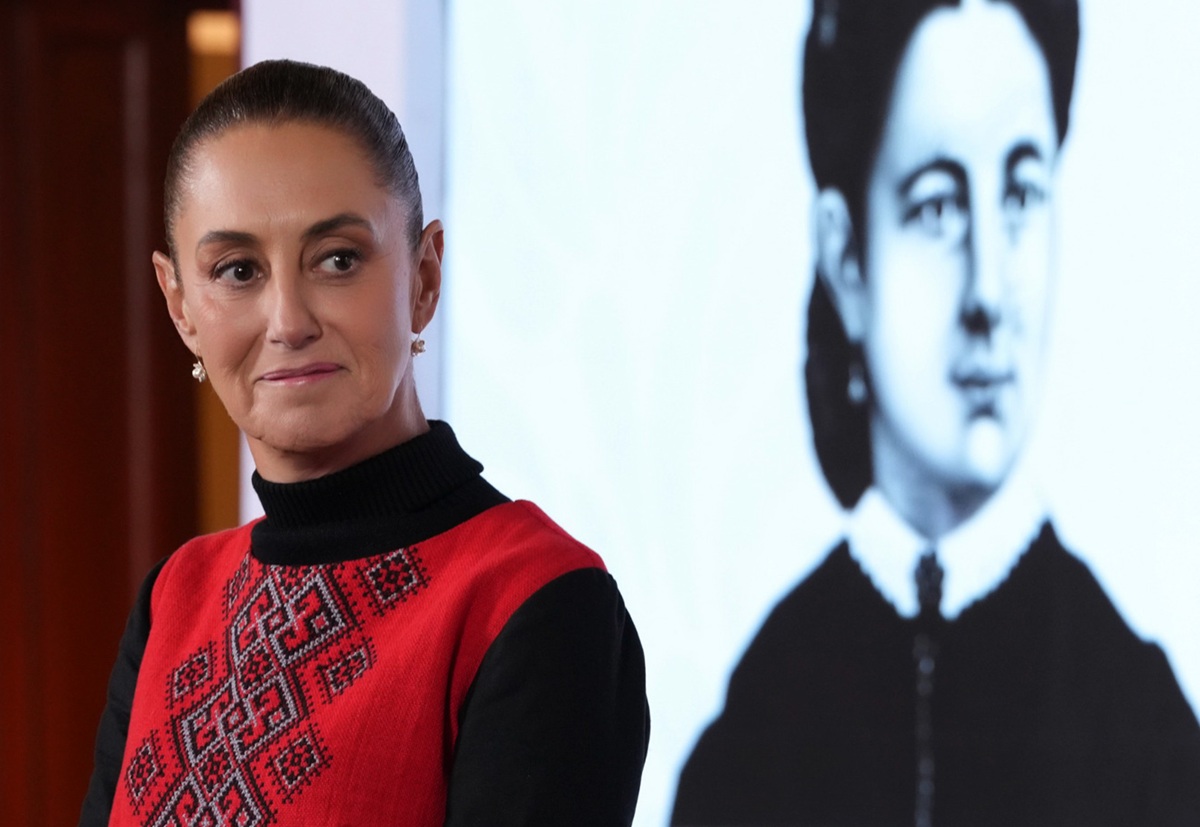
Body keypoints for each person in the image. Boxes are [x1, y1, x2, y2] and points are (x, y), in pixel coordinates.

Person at [79, 59, 649, 827]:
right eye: (237, 269)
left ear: (424, 275)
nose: (287, 320)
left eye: (337, 259)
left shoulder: (536, 599)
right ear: (180, 305)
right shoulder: (173, 600)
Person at [672, 0, 1200, 824]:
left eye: (1022, 193)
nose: (989, 290)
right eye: (937, 206)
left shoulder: (1139, 723)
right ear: (847, 256)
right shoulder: (761, 727)